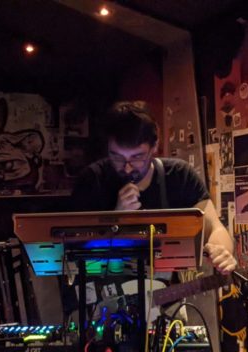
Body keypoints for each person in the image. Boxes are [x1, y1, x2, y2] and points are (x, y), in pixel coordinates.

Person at [70, 100, 236, 274]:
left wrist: (222, 252)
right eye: (117, 157)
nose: (127, 168)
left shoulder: (179, 176)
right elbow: (75, 256)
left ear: (155, 146)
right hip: (106, 285)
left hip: (168, 288)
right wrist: (116, 219)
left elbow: (215, 227)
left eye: (137, 157)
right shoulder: (92, 180)